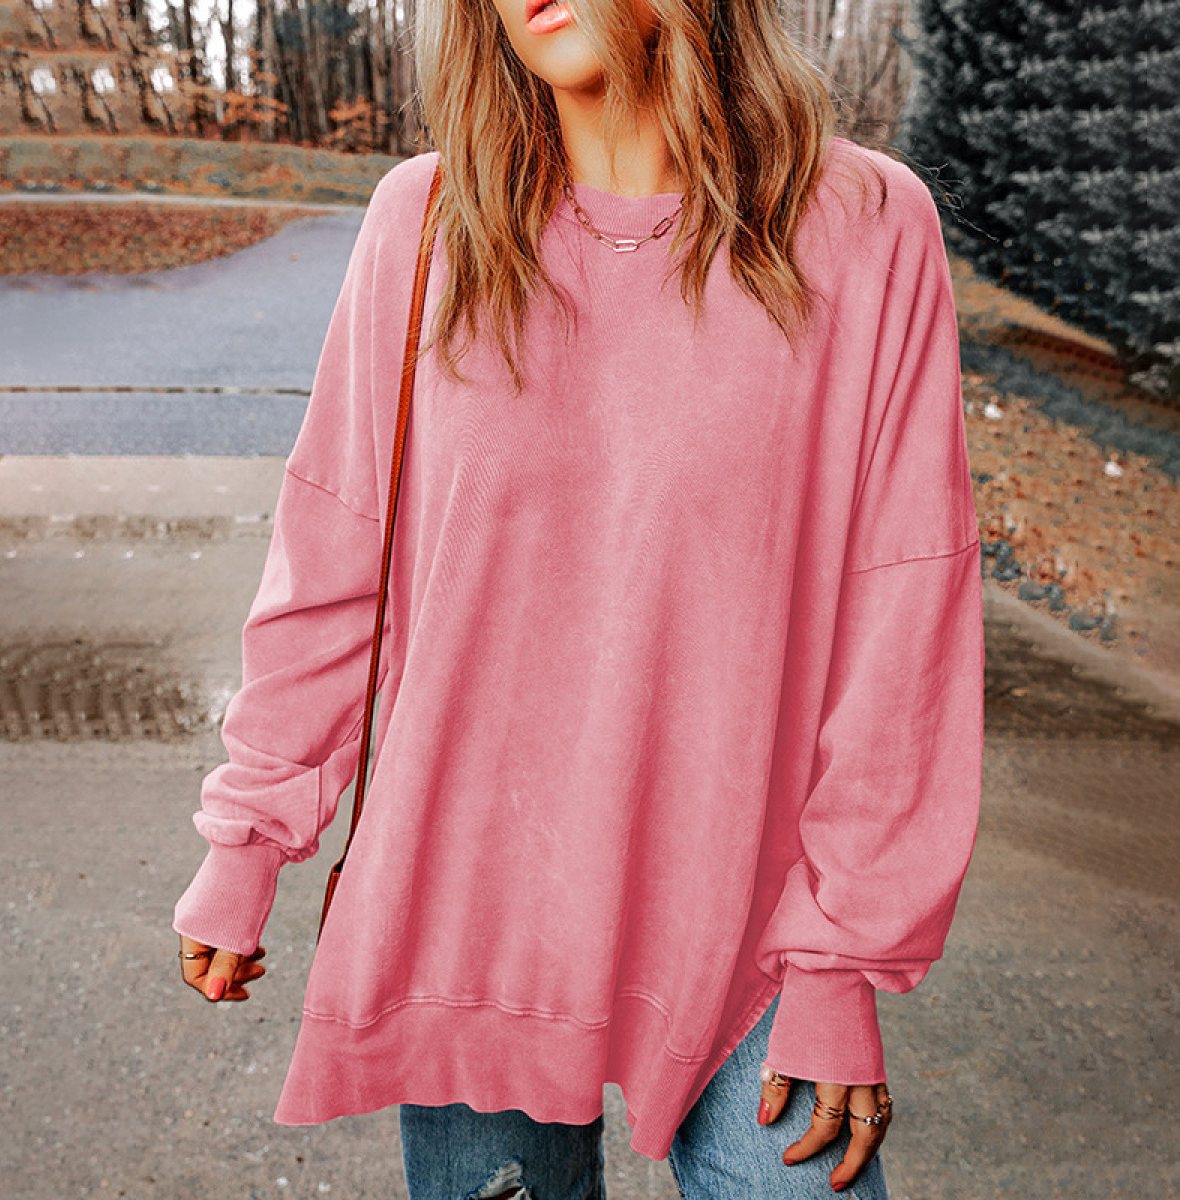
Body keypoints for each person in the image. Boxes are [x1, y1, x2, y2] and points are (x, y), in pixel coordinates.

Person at [173, 1, 985, 1197]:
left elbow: (904, 616)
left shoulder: (862, 226)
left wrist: (840, 962)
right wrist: (248, 840)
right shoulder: (428, 222)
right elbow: (334, 560)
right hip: (474, 904)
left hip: (749, 924)